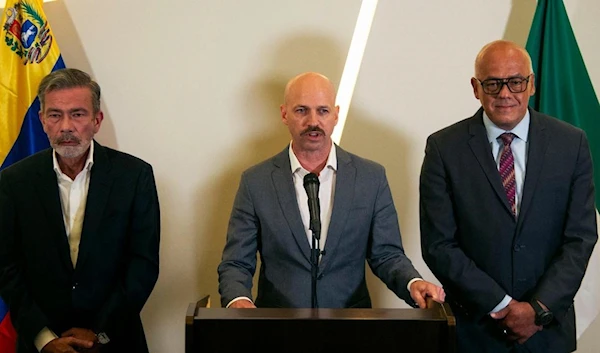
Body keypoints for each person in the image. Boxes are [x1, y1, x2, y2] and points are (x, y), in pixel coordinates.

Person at [420, 40, 598, 352]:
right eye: (493, 83)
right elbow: (439, 245)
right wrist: (502, 305)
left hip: (547, 333)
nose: (505, 93)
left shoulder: (572, 144)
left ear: (531, 84)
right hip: (475, 334)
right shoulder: (443, 149)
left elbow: (580, 238)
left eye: (515, 82)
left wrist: (538, 309)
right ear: (476, 88)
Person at [218, 72, 444, 309]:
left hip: (349, 328)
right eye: (301, 110)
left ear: (336, 114)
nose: (313, 121)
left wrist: (412, 282)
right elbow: (236, 263)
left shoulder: (371, 178)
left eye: (322, 111)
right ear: (285, 114)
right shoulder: (256, 182)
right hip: (279, 330)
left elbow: (386, 254)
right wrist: (238, 299)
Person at [0, 68, 160, 353]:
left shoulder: (133, 176)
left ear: (96, 121)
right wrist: (44, 338)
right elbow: (6, 265)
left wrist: (100, 334)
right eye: (54, 115)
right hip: (42, 343)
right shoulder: (13, 181)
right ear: (42, 121)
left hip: (115, 341)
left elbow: (142, 264)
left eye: (77, 114)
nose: (66, 127)